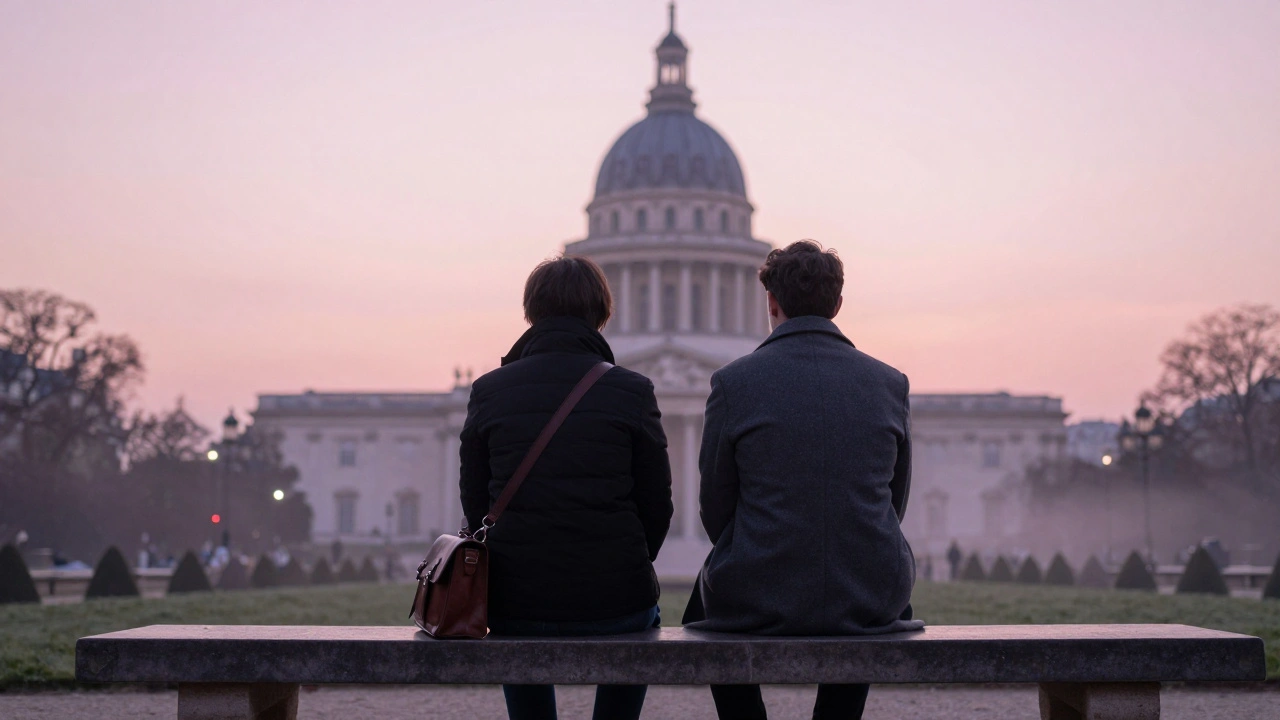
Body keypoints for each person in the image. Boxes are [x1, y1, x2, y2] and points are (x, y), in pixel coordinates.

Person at [684, 240, 924, 720]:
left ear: (771, 303)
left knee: (699, 612)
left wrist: (755, 544)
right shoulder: (889, 383)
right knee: (864, 586)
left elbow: (715, 505)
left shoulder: (734, 383)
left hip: (760, 582)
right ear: (837, 305)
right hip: (870, 584)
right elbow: (894, 501)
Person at [460, 255, 674, 720]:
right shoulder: (632, 390)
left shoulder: (490, 390)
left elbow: (476, 505)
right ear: (601, 313)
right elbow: (658, 506)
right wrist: (626, 562)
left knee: (515, 632)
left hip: (515, 600)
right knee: (641, 621)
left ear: (530, 312)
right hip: (617, 599)